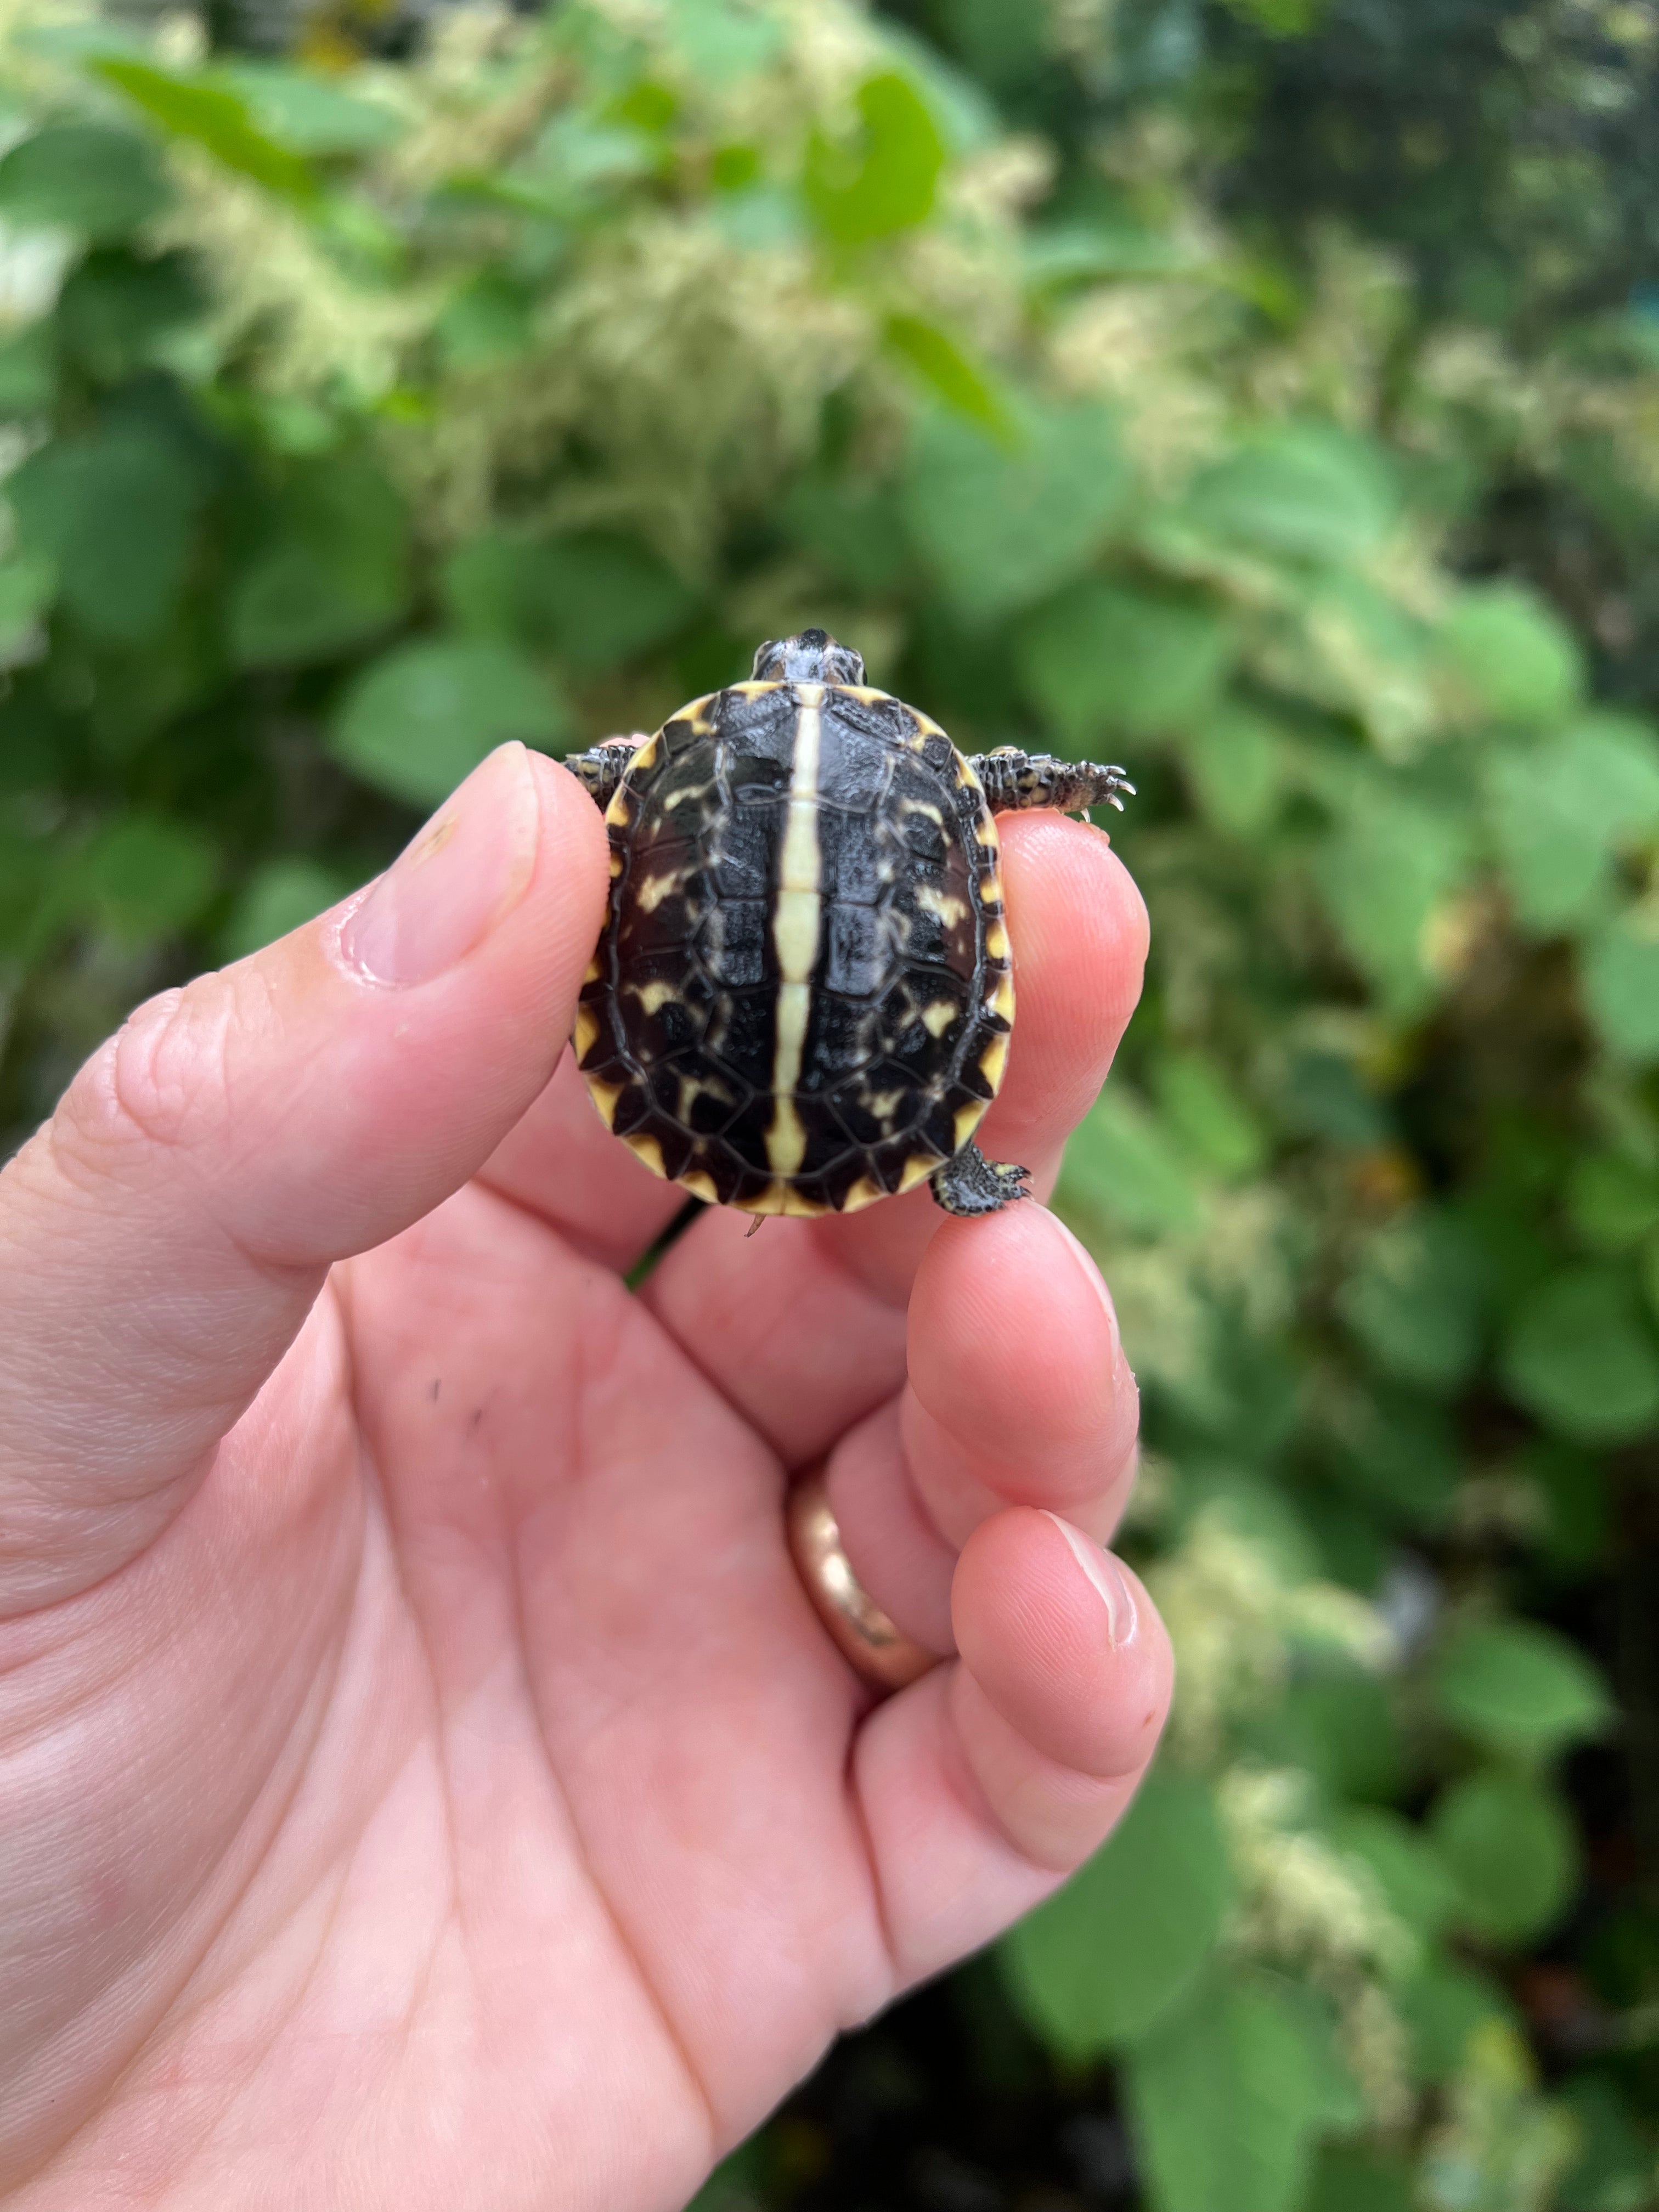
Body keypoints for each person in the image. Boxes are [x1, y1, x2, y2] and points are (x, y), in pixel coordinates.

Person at [0, 741, 1171, 2211]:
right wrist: (1046, 784)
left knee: (1025, 1362)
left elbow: (618, 781)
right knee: (1013, 1315)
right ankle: (952, 1158)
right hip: (887, 1108)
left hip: (699, 1100)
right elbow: (992, 791)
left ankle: (950, 1162)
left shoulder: (677, 764)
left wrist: (582, 781)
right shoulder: (938, 775)